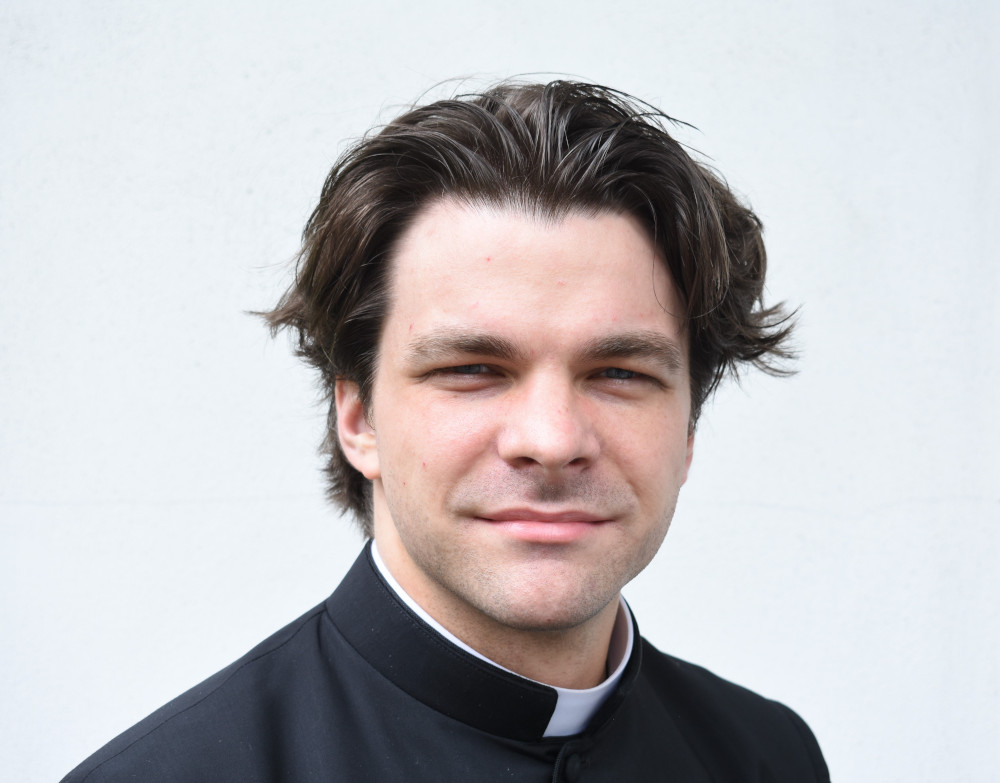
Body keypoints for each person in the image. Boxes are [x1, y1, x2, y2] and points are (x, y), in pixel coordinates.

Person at [63, 80, 829, 782]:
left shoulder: (765, 756)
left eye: (620, 373)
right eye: (473, 368)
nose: (552, 438)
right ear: (357, 416)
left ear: (689, 426)